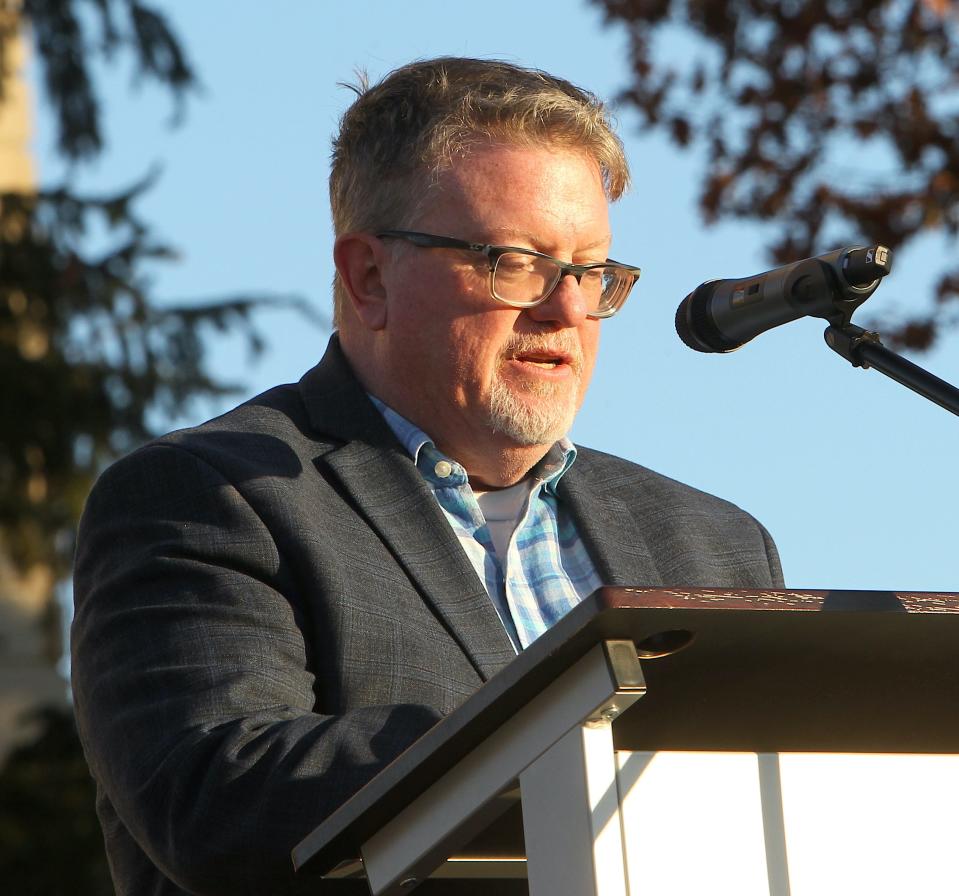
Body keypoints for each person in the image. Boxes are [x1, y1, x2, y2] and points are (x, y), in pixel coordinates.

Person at [71, 57, 784, 896]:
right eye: (516, 263)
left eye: (591, 272)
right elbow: (220, 801)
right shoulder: (212, 497)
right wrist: (555, 742)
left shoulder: (713, 547)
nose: (567, 310)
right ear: (368, 276)